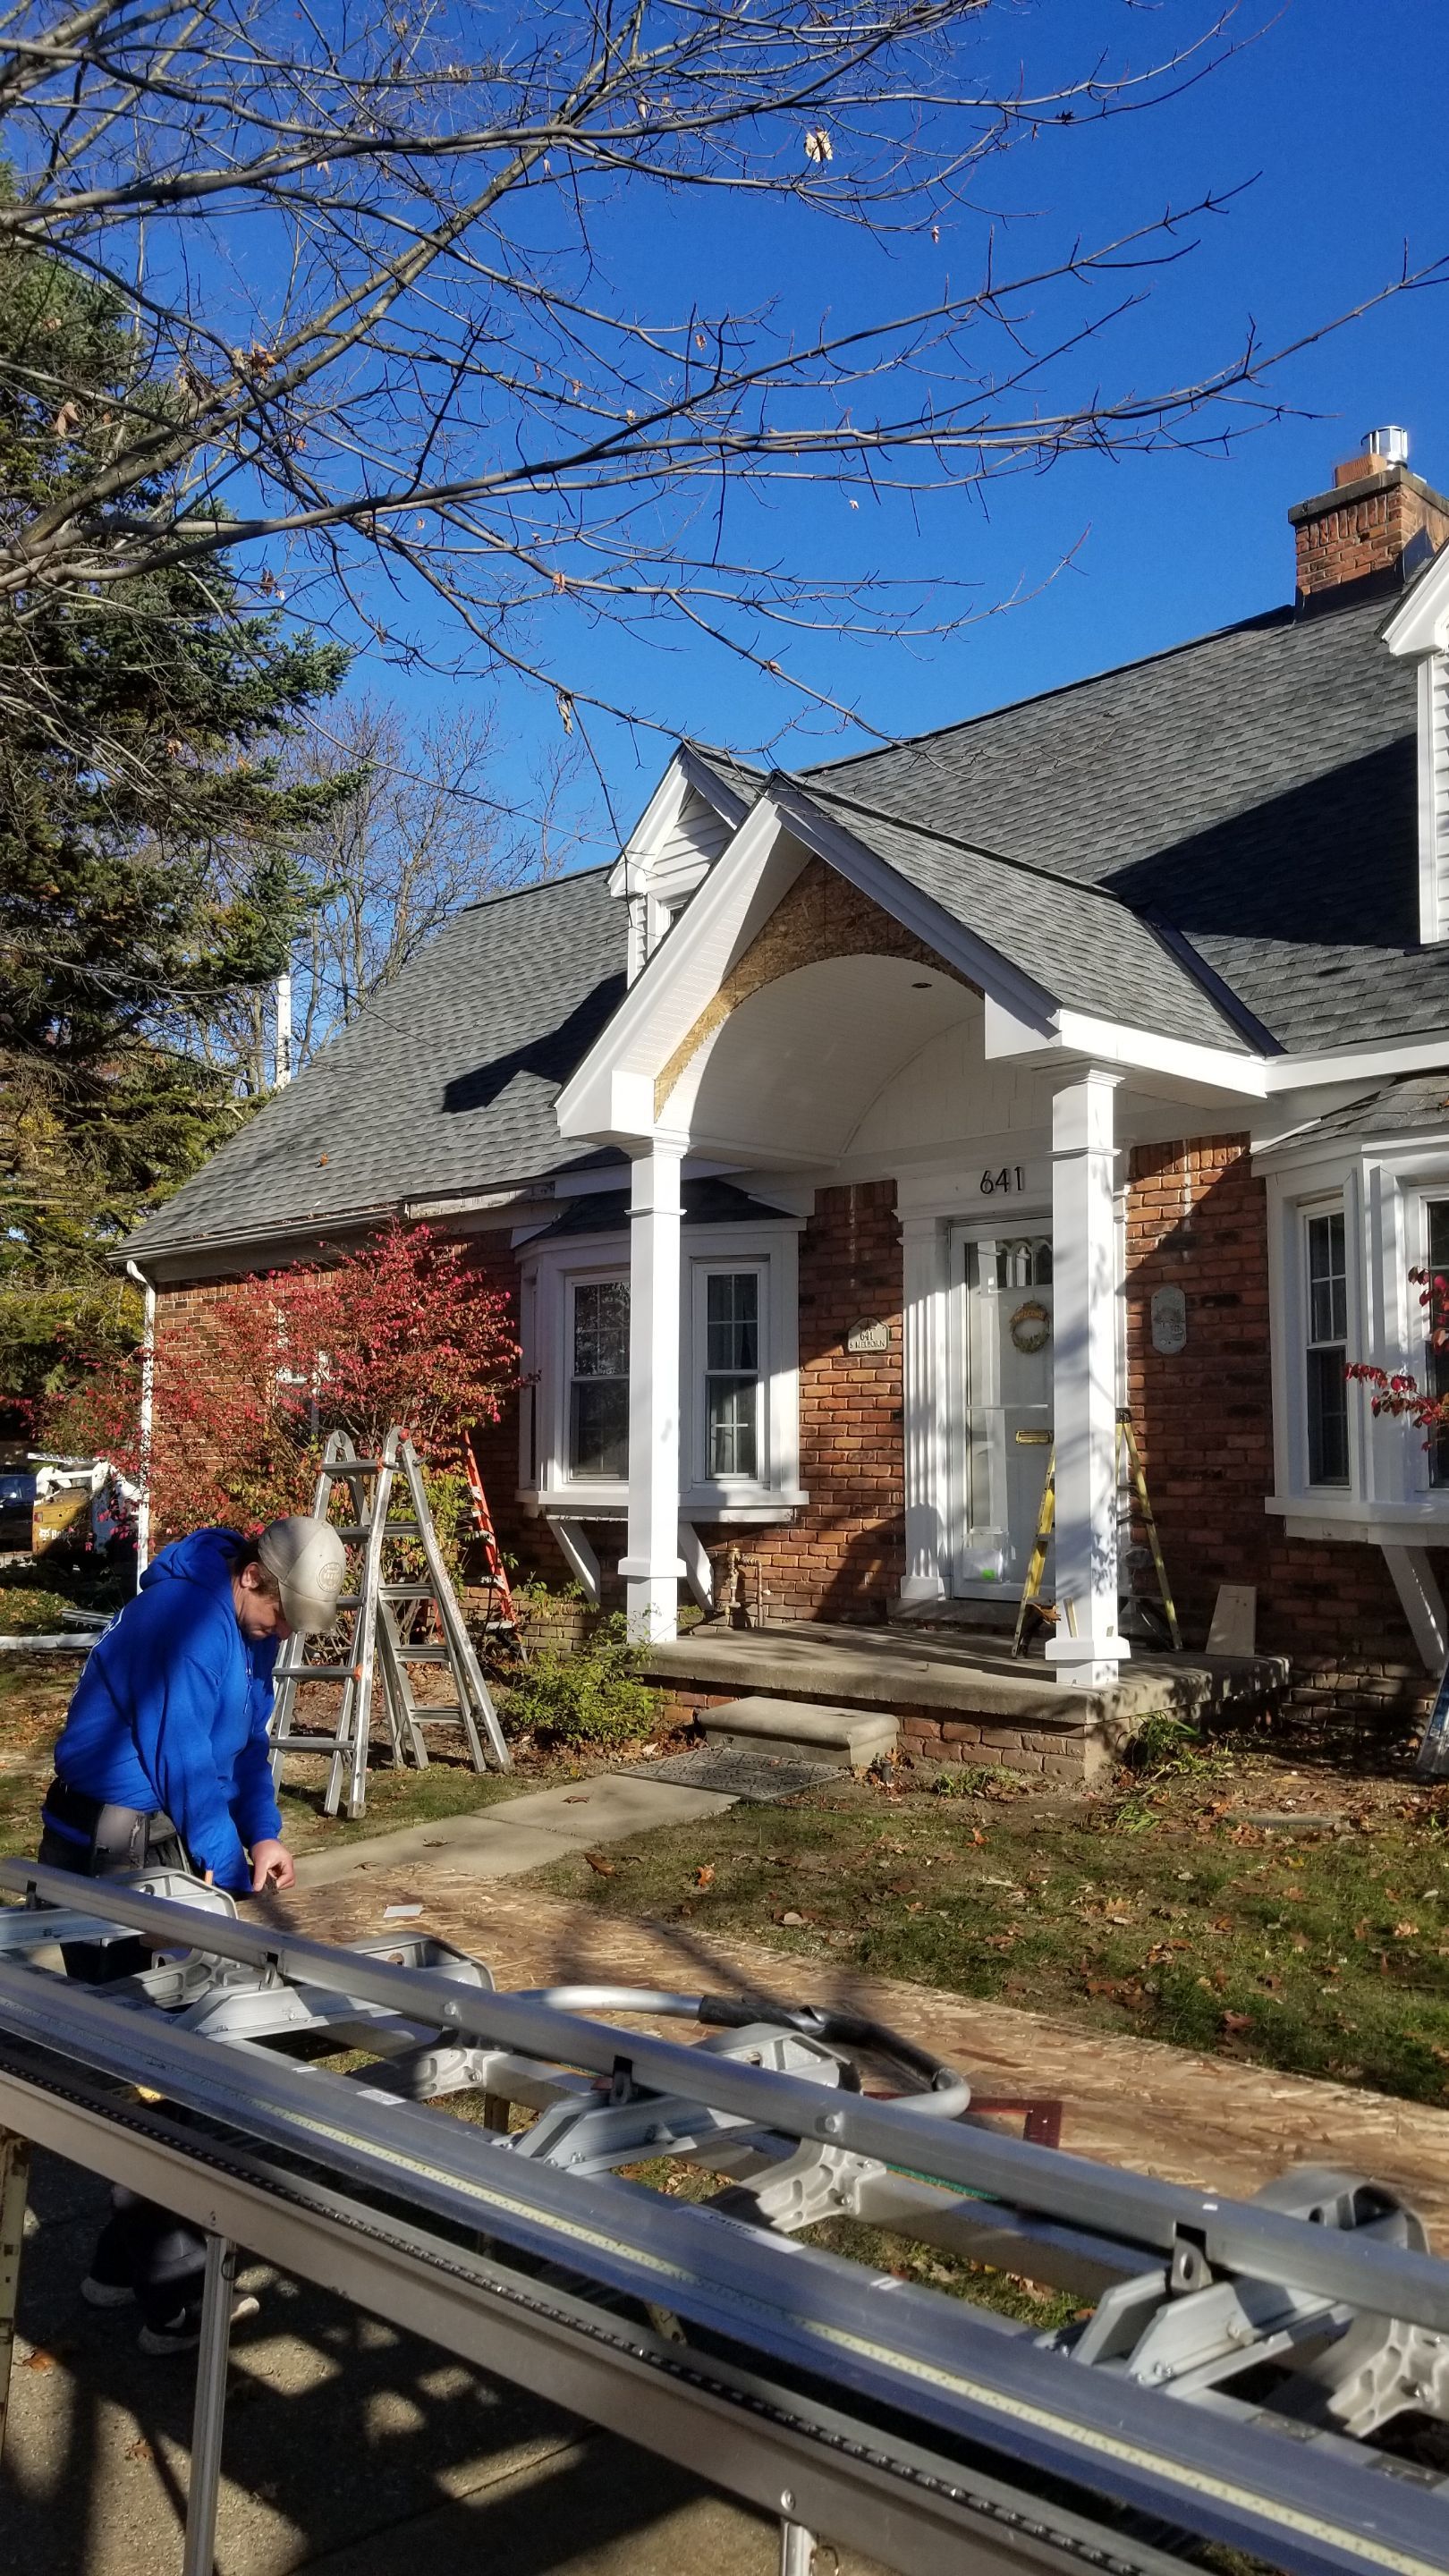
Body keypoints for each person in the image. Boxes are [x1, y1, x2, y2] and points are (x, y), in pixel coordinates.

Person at [38, 1514, 346, 2351]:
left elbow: (242, 1749)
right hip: (105, 1843)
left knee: (167, 2043)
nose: (281, 1633)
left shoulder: (250, 1633)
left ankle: (117, 2269)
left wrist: (264, 1833)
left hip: (159, 1834)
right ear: (252, 1575)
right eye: (280, 1615)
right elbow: (179, 1758)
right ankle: (178, 2298)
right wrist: (225, 1861)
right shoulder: (178, 1620)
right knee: (154, 2060)